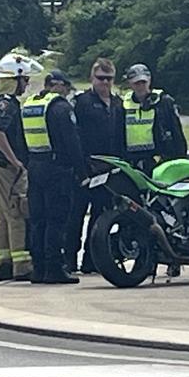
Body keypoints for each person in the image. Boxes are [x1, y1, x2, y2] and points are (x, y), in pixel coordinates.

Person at [23, 70, 87, 284]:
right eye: (67, 88)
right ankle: (54, 268)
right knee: (56, 219)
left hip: (35, 166)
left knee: (38, 220)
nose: (68, 92)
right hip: (57, 169)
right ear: (59, 85)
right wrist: (81, 170)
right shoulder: (60, 107)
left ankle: (39, 268)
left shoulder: (31, 105)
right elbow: (72, 142)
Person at [0, 53, 43, 281]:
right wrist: (14, 160)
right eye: (25, 80)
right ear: (14, 79)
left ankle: (3, 263)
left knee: (2, 217)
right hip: (8, 169)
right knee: (16, 214)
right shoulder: (7, 103)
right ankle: (21, 266)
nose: (26, 85)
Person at [67, 58, 125, 273]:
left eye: (109, 79)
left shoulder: (118, 104)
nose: (105, 83)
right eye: (101, 78)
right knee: (75, 217)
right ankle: (70, 260)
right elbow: (73, 136)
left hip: (108, 170)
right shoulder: (81, 102)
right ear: (92, 78)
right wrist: (79, 167)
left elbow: (122, 138)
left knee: (101, 218)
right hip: (85, 168)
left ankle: (91, 261)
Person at [122, 63, 187, 174]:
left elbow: (177, 132)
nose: (141, 86)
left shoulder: (163, 102)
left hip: (158, 159)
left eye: (143, 82)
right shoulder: (123, 104)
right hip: (131, 160)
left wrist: (180, 158)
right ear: (130, 84)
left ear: (150, 80)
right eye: (137, 83)